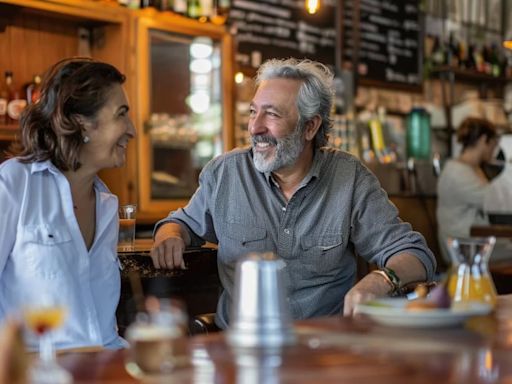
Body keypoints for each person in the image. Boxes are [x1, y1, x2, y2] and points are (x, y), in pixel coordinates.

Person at [151, 58, 436, 328]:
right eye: (253, 111)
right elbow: (182, 224)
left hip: (324, 353)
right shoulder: (226, 173)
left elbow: (415, 254)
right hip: (241, 350)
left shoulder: (349, 178)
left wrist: (382, 279)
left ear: (310, 127)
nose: (255, 127)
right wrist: (170, 235)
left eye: (272, 114)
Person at [0, 58, 136, 350]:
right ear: (78, 122)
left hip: (105, 368)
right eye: (121, 115)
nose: (132, 130)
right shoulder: (14, 185)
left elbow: (103, 332)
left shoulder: (107, 206)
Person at [437, 117, 499, 264]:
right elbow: (495, 202)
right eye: (493, 144)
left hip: (472, 240)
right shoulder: (457, 172)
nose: (494, 151)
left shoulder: (471, 168)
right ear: (484, 140)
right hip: (462, 246)